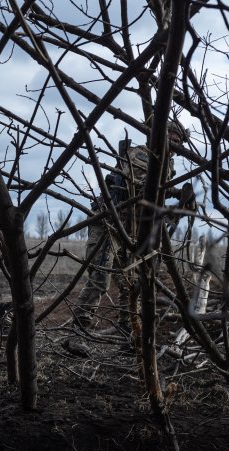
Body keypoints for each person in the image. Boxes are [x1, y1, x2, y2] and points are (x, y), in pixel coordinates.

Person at [68, 120, 192, 338]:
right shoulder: (141, 154)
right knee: (100, 278)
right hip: (110, 224)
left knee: (130, 285)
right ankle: (76, 334)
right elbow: (144, 187)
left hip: (129, 230)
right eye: (171, 137)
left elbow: (153, 202)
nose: (174, 142)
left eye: (178, 140)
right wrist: (174, 193)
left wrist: (179, 204)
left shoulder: (167, 165)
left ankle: (129, 334)